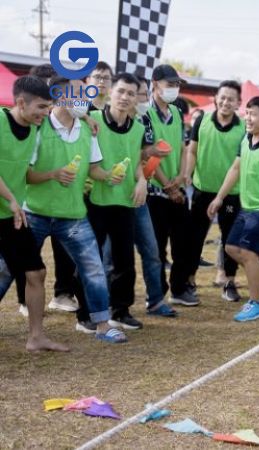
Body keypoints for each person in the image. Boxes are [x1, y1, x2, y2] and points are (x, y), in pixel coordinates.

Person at [24, 76, 127, 343]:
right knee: (6, 268)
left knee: (93, 268)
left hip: (72, 215)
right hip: (34, 212)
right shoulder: (39, 127)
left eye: (87, 93)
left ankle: (103, 326)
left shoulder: (86, 129)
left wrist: (108, 176)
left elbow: (93, 168)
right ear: (60, 95)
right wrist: (53, 175)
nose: (86, 98)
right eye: (79, 93)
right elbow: (26, 174)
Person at [0, 75, 69, 351]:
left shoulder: (35, 129)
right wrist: (12, 200)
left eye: (48, 106)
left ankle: (36, 337)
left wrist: (52, 174)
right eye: (41, 107)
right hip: (12, 208)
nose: (46, 112)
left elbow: (23, 173)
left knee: (36, 273)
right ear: (20, 103)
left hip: (11, 215)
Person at [207, 96, 259, 321]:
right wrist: (219, 198)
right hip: (246, 207)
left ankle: (256, 303)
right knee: (231, 248)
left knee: (249, 254)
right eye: (247, 113)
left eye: (253, 114)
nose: (248, 118)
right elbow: (235, 169)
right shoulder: (246, 138)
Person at [80, 72, 150, 330]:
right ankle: (85, 314)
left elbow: (138, 164)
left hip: (124, 202)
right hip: (95, 201)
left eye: (131, 93)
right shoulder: (92, 120)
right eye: (120, 91)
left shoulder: (139, 128)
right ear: (110, 91)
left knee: (125, 262)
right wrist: (104, 176)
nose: (125, 97)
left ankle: (120, 311)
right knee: (90, 259)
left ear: (136, 98)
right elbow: (86, 162)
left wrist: (143, 180)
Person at [183, 80, 246, 302]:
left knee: (230, 240)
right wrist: (187, 175)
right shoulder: (202, 120)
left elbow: (239, 166)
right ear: (215, 98)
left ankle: (229, 281)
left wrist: (221, 197)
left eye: (231, 98)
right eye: (222, 97)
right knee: (195, 238)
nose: (225, 102)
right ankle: (189, 280)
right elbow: (192, 151)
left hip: (231, 193)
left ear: (238, 103)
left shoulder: (243, 128)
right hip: (203, 190)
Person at [146, 64, 196, 307]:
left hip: (177, 188)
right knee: (156, 249)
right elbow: (145, 155)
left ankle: (179, 289)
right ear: (155, 84)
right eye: (170, 84)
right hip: (154, 192)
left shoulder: (176, 113)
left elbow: (184, 147)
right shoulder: (144, 113)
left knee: (183, 245)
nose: (174, 89)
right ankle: (157, 295)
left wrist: (183, 175)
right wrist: (168, 185)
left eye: (177, 85)